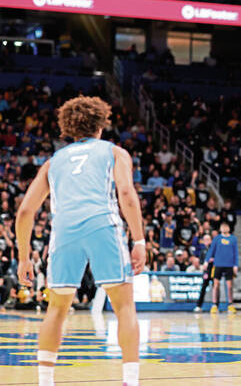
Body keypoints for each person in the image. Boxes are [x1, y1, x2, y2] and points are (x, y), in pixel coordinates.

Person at [16, 96, 145, 386]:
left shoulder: (53, 162)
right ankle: (130, 381)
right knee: (124, 306)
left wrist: (24, 257)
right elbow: (126, 195)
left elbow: (25, 211)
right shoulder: (114, 152)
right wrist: (140, 241)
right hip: (102, 225)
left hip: (64, 231)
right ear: (101, 123)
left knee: (57, 309)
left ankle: (45, 381)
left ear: (69, 128)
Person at [205, 222, 238, 313]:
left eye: (226, 227)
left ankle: (230, 304)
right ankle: (215, 304)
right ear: (220, 228)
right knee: (216, 285)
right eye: (222, 227)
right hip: (218, 264)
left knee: (229, 286)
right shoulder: (216, 238)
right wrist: (206, 261)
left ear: (229, 228)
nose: (224, 228)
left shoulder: (233, 239)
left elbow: (236, 252)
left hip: (229, 265)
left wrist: (235, 265)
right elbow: (211, 250)